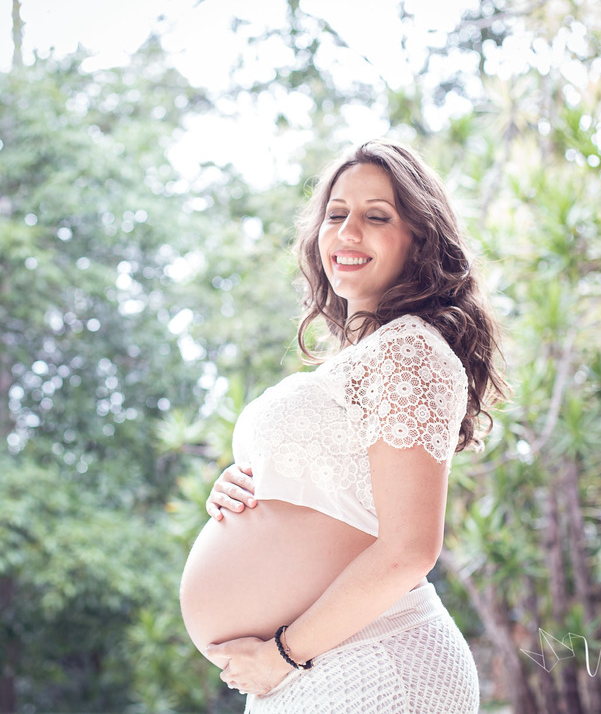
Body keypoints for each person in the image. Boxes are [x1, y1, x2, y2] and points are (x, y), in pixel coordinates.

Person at [178, 138, 508, 713]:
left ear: (419, 240)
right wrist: (246, 489)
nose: (347, 232)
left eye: (376, 217)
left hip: (370, 661)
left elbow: (410, 548)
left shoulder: (407, 352)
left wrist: (280, 655)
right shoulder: (361, 360)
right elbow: (338, 497)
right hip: (319, 663)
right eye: (336, 214)